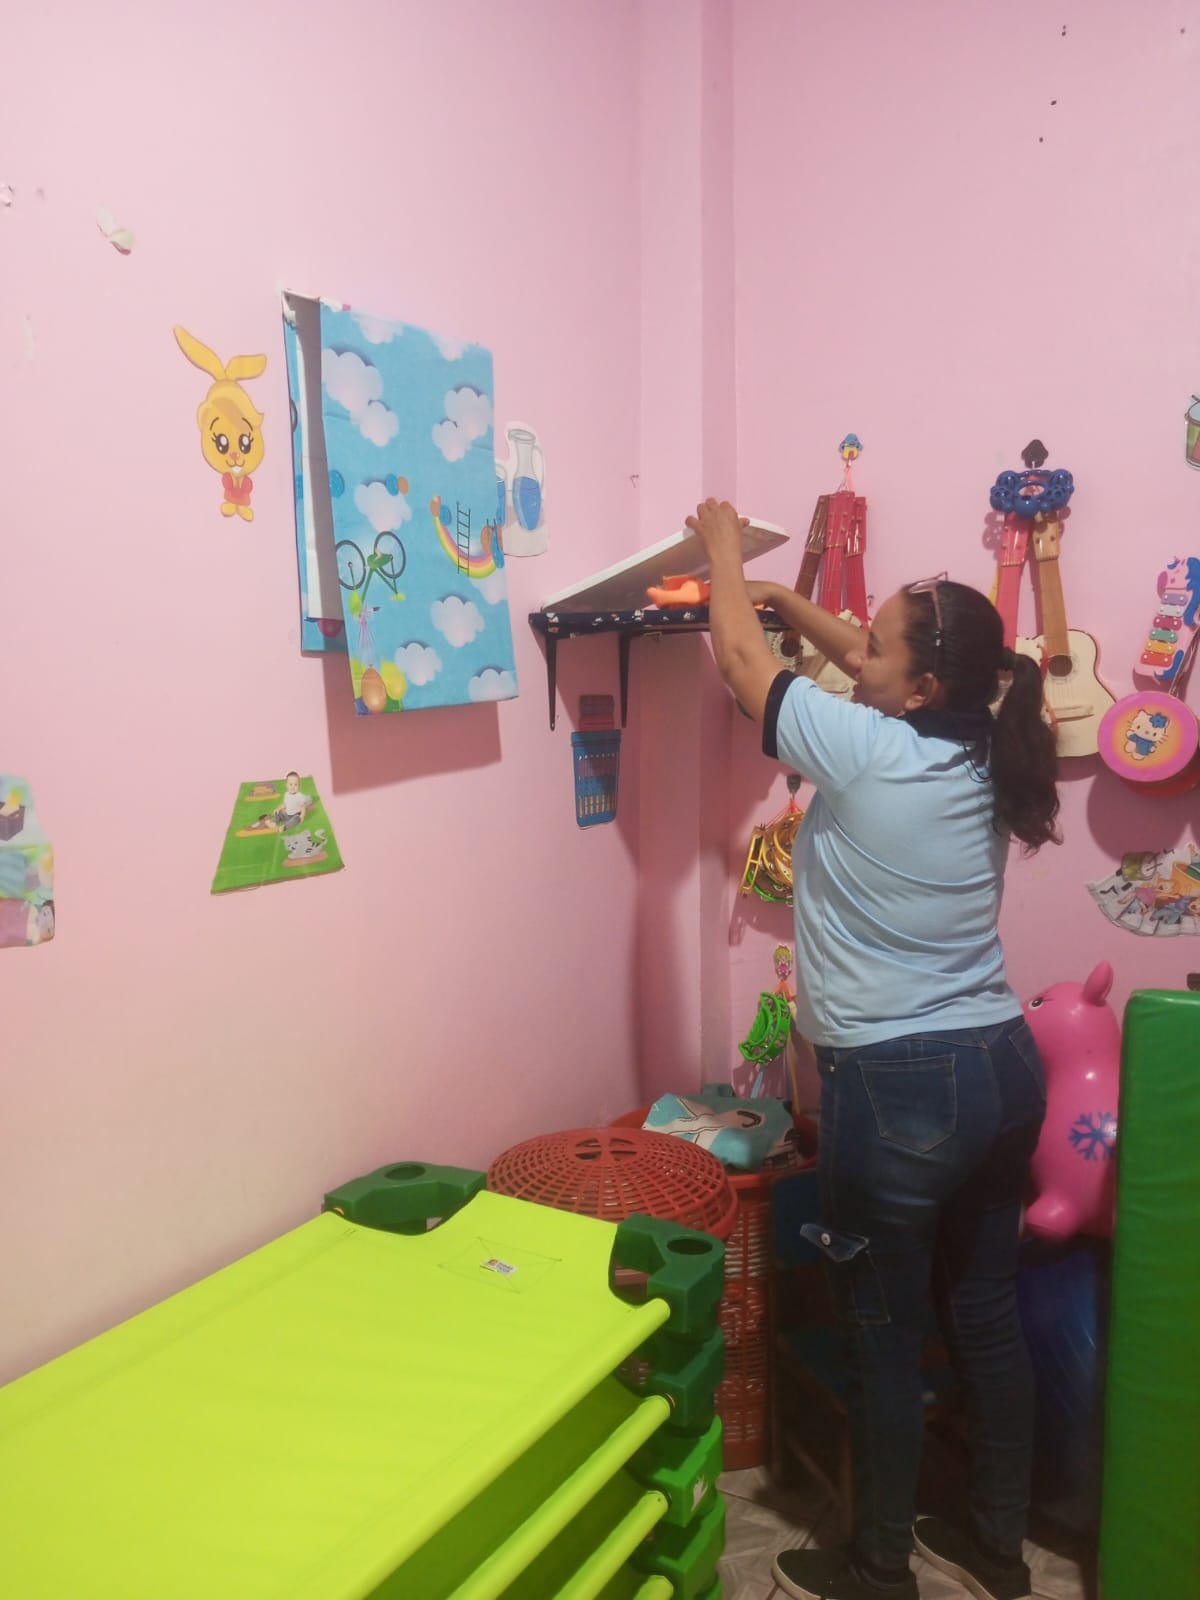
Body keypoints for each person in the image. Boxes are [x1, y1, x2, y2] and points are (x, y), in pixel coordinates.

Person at [685, 500, 1059, 1600]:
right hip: (1001, 1065)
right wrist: (787, 594)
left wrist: (722, 553)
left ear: (923, 685)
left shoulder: (865, 750)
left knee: (883, 1335)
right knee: (984, 1317)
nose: (859, 655)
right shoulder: (985, 741)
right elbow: (850, 650)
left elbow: (745, 666)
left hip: (901, 1089)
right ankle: (997, 1547)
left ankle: (876, 1567)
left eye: (880, 647)